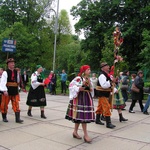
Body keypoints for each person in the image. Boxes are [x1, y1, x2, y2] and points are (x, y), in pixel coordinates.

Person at [65, 65, 95, 143]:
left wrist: (90, 89)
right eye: (88, 69)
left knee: (80, 116)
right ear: (84, 71)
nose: (90, 71)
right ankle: (86, 135)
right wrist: (79, 88)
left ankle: (75, 132)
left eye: (90, 69)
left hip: (86, 98)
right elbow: (71, 85)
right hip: (80, 99)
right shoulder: (78, 78)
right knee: (83, 116)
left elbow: (91, 89)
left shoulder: (89, 79)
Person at [0, 58, 24, 123]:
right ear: (8, 64)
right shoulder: (5, 72)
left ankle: (17, 119)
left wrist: (19, 87)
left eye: (13, 63)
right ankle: (4, 117)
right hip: (7, 90)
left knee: (16, 104)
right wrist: (4, 90)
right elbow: (3, 82)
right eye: (11, 63)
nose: (13, 64)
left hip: (15, 90)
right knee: (4, 104)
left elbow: (18, 81)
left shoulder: (17, 72)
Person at [95, 62, 116, 129]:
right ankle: (108, 123)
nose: (108, 67)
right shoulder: (102, 76)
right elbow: (104, 85)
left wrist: (113, 87)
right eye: (106, 66)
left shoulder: (107, 75)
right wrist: (111, 82)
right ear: (103, 68)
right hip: (102, 94)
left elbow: (110, 84)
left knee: (100, 107)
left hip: (104, 93)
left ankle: (97, 119)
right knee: (106, 107)